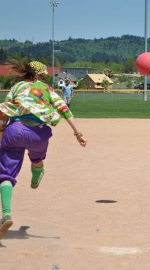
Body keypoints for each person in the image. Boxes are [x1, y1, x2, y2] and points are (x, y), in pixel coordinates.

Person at [0, 60, 87, 239]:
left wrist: (2, 131)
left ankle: (6, 214)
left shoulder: (17, 87)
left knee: (5, 175)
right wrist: (77, 133)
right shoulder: (47, 88)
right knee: (37, 158)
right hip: (39, 135)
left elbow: (4, 112)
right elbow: (64, 109)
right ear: (39, 75)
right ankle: (36, 172)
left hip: (15, 131)